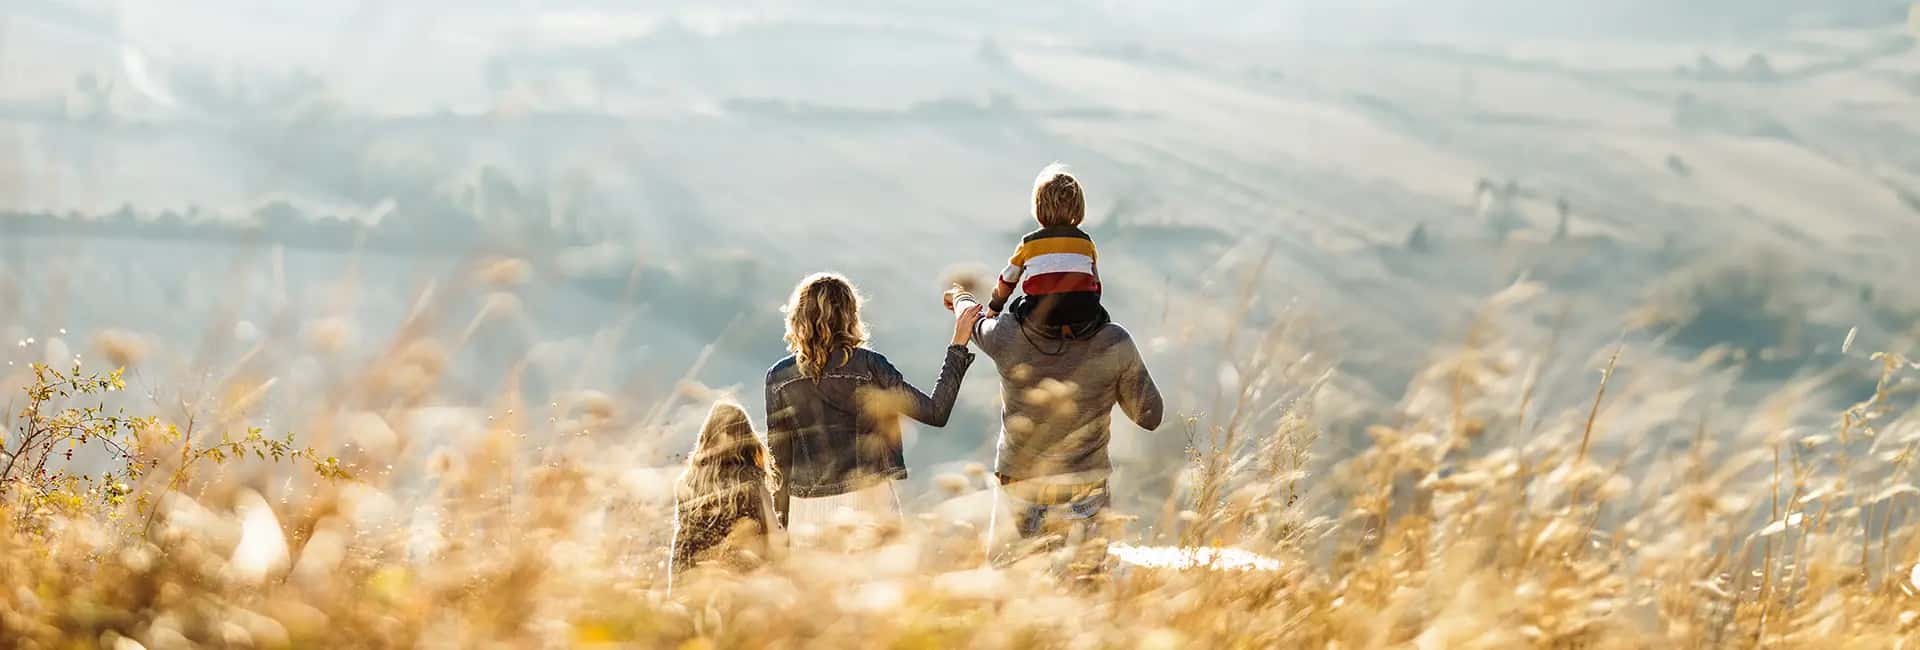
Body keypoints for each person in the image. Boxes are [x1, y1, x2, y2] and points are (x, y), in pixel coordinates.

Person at [945, 284, 1162, 575]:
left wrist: (959, 294)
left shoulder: (1007, 332)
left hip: (1019, 485)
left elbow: (971, 317)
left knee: (1013, 590)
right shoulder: (1112, 340)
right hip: (1085, 486)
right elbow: (1150, 416)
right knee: (1086, 586)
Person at [766, 272, 983, 547]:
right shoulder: (871, 366)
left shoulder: (779, 377)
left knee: (818, 589)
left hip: (805, 511)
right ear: (850, 316)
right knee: (875, 588)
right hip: (870, 501)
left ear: (798, 317)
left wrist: (782, 524)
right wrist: (958, 344)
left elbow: (780, 462)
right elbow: (936, 412)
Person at [669, 401, 781, 592]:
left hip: (695, 582)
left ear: (706, 438)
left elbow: (681, 542)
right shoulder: (753, 481)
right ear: (746, 439)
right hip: (743, 582)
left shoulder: (687, 482)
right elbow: (773, 536)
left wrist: (675, 590)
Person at [986, 164, 1105, 337]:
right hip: (1082, 316)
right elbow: (1096, 284)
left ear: (1039, 207)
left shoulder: (1029, 244)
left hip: (1039, 318)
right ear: (1079, 208)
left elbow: (1007, 280)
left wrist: (994, 307)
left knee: (1017, 306)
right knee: (1102, 316)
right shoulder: (1086, 242)